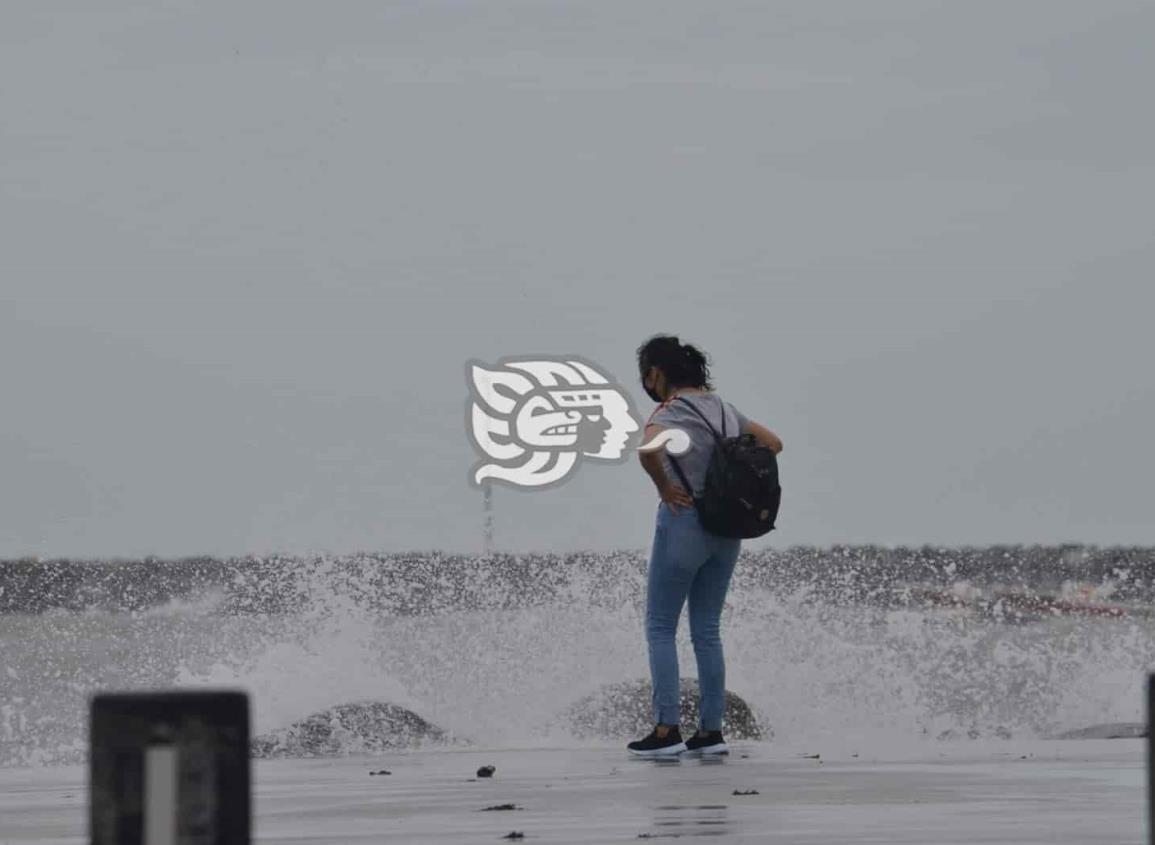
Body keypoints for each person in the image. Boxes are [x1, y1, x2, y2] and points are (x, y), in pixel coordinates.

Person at [628, 335, 783, 758]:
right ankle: (711, 732)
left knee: (660, 627)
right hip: (726, 529)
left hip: (684, 524)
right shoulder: (725, 409)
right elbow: (773, 443)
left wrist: (665, 487)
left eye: (646, 374)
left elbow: (647, 449)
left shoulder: (672, 410)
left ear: (657, 374)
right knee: (707, 631)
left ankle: (666, 730)